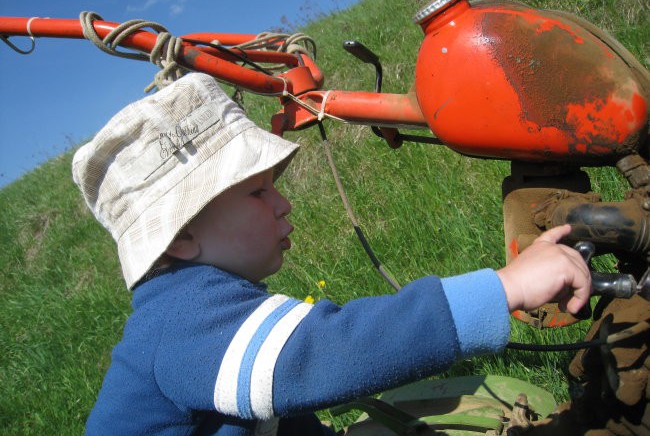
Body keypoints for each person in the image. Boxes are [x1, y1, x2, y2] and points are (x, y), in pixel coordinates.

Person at [72, 72, 591, 435]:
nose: (283, 203)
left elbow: (281, 422)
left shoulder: (203, 304)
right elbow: (320, 355)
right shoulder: (180, 324)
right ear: (180, 237)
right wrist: (503, 288)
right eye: (257, 193)